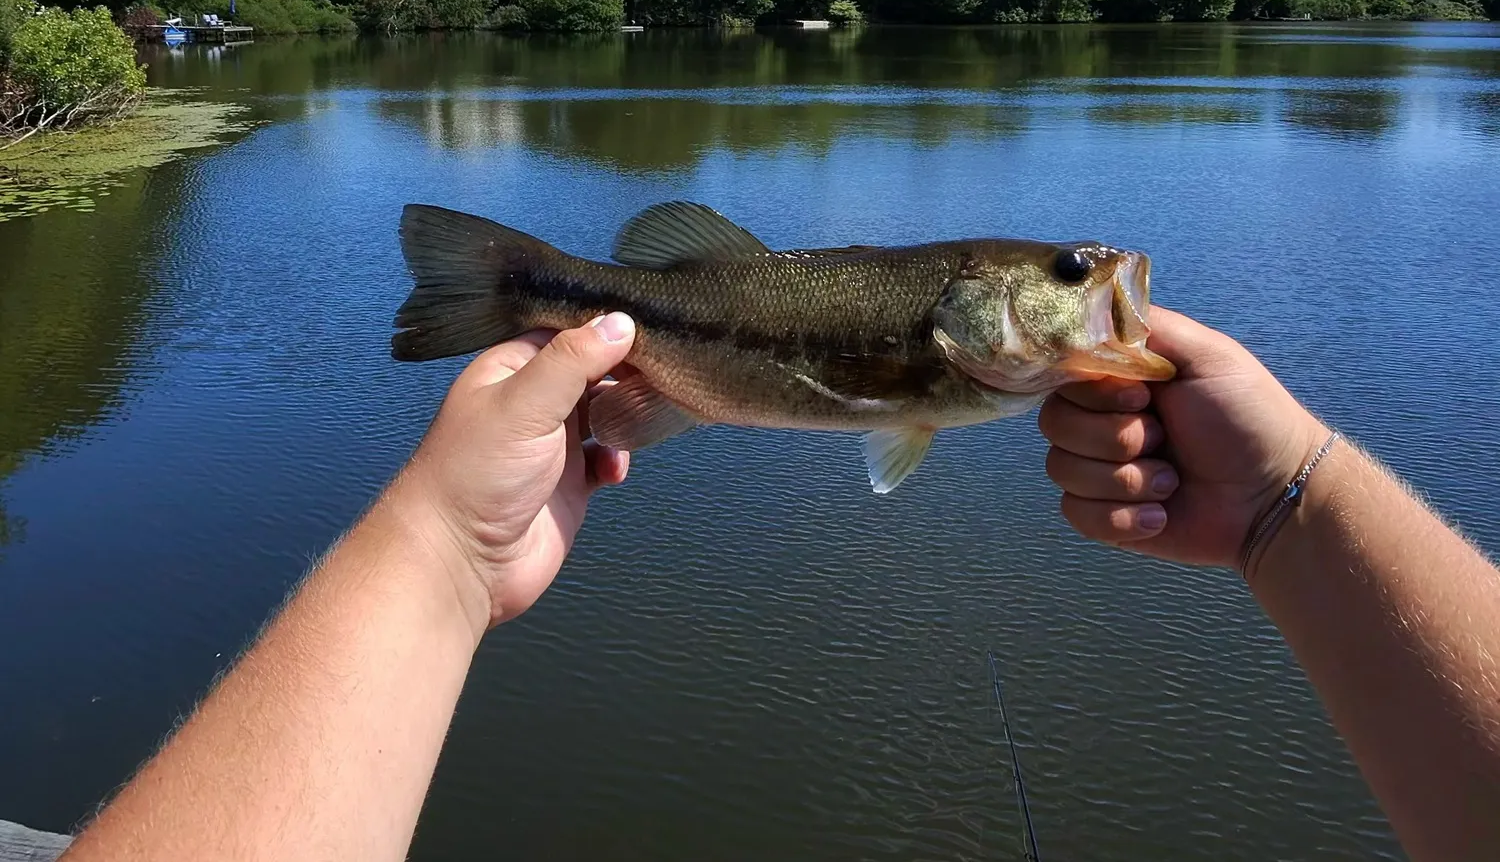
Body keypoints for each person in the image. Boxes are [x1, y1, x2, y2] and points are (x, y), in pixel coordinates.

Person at [60, 308, 1500, 862]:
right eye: (1065, 276)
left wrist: (448, 550)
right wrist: (1285, 507)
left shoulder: (981, 360)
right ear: (987, 303)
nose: (1101, 287)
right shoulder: (956, 353)